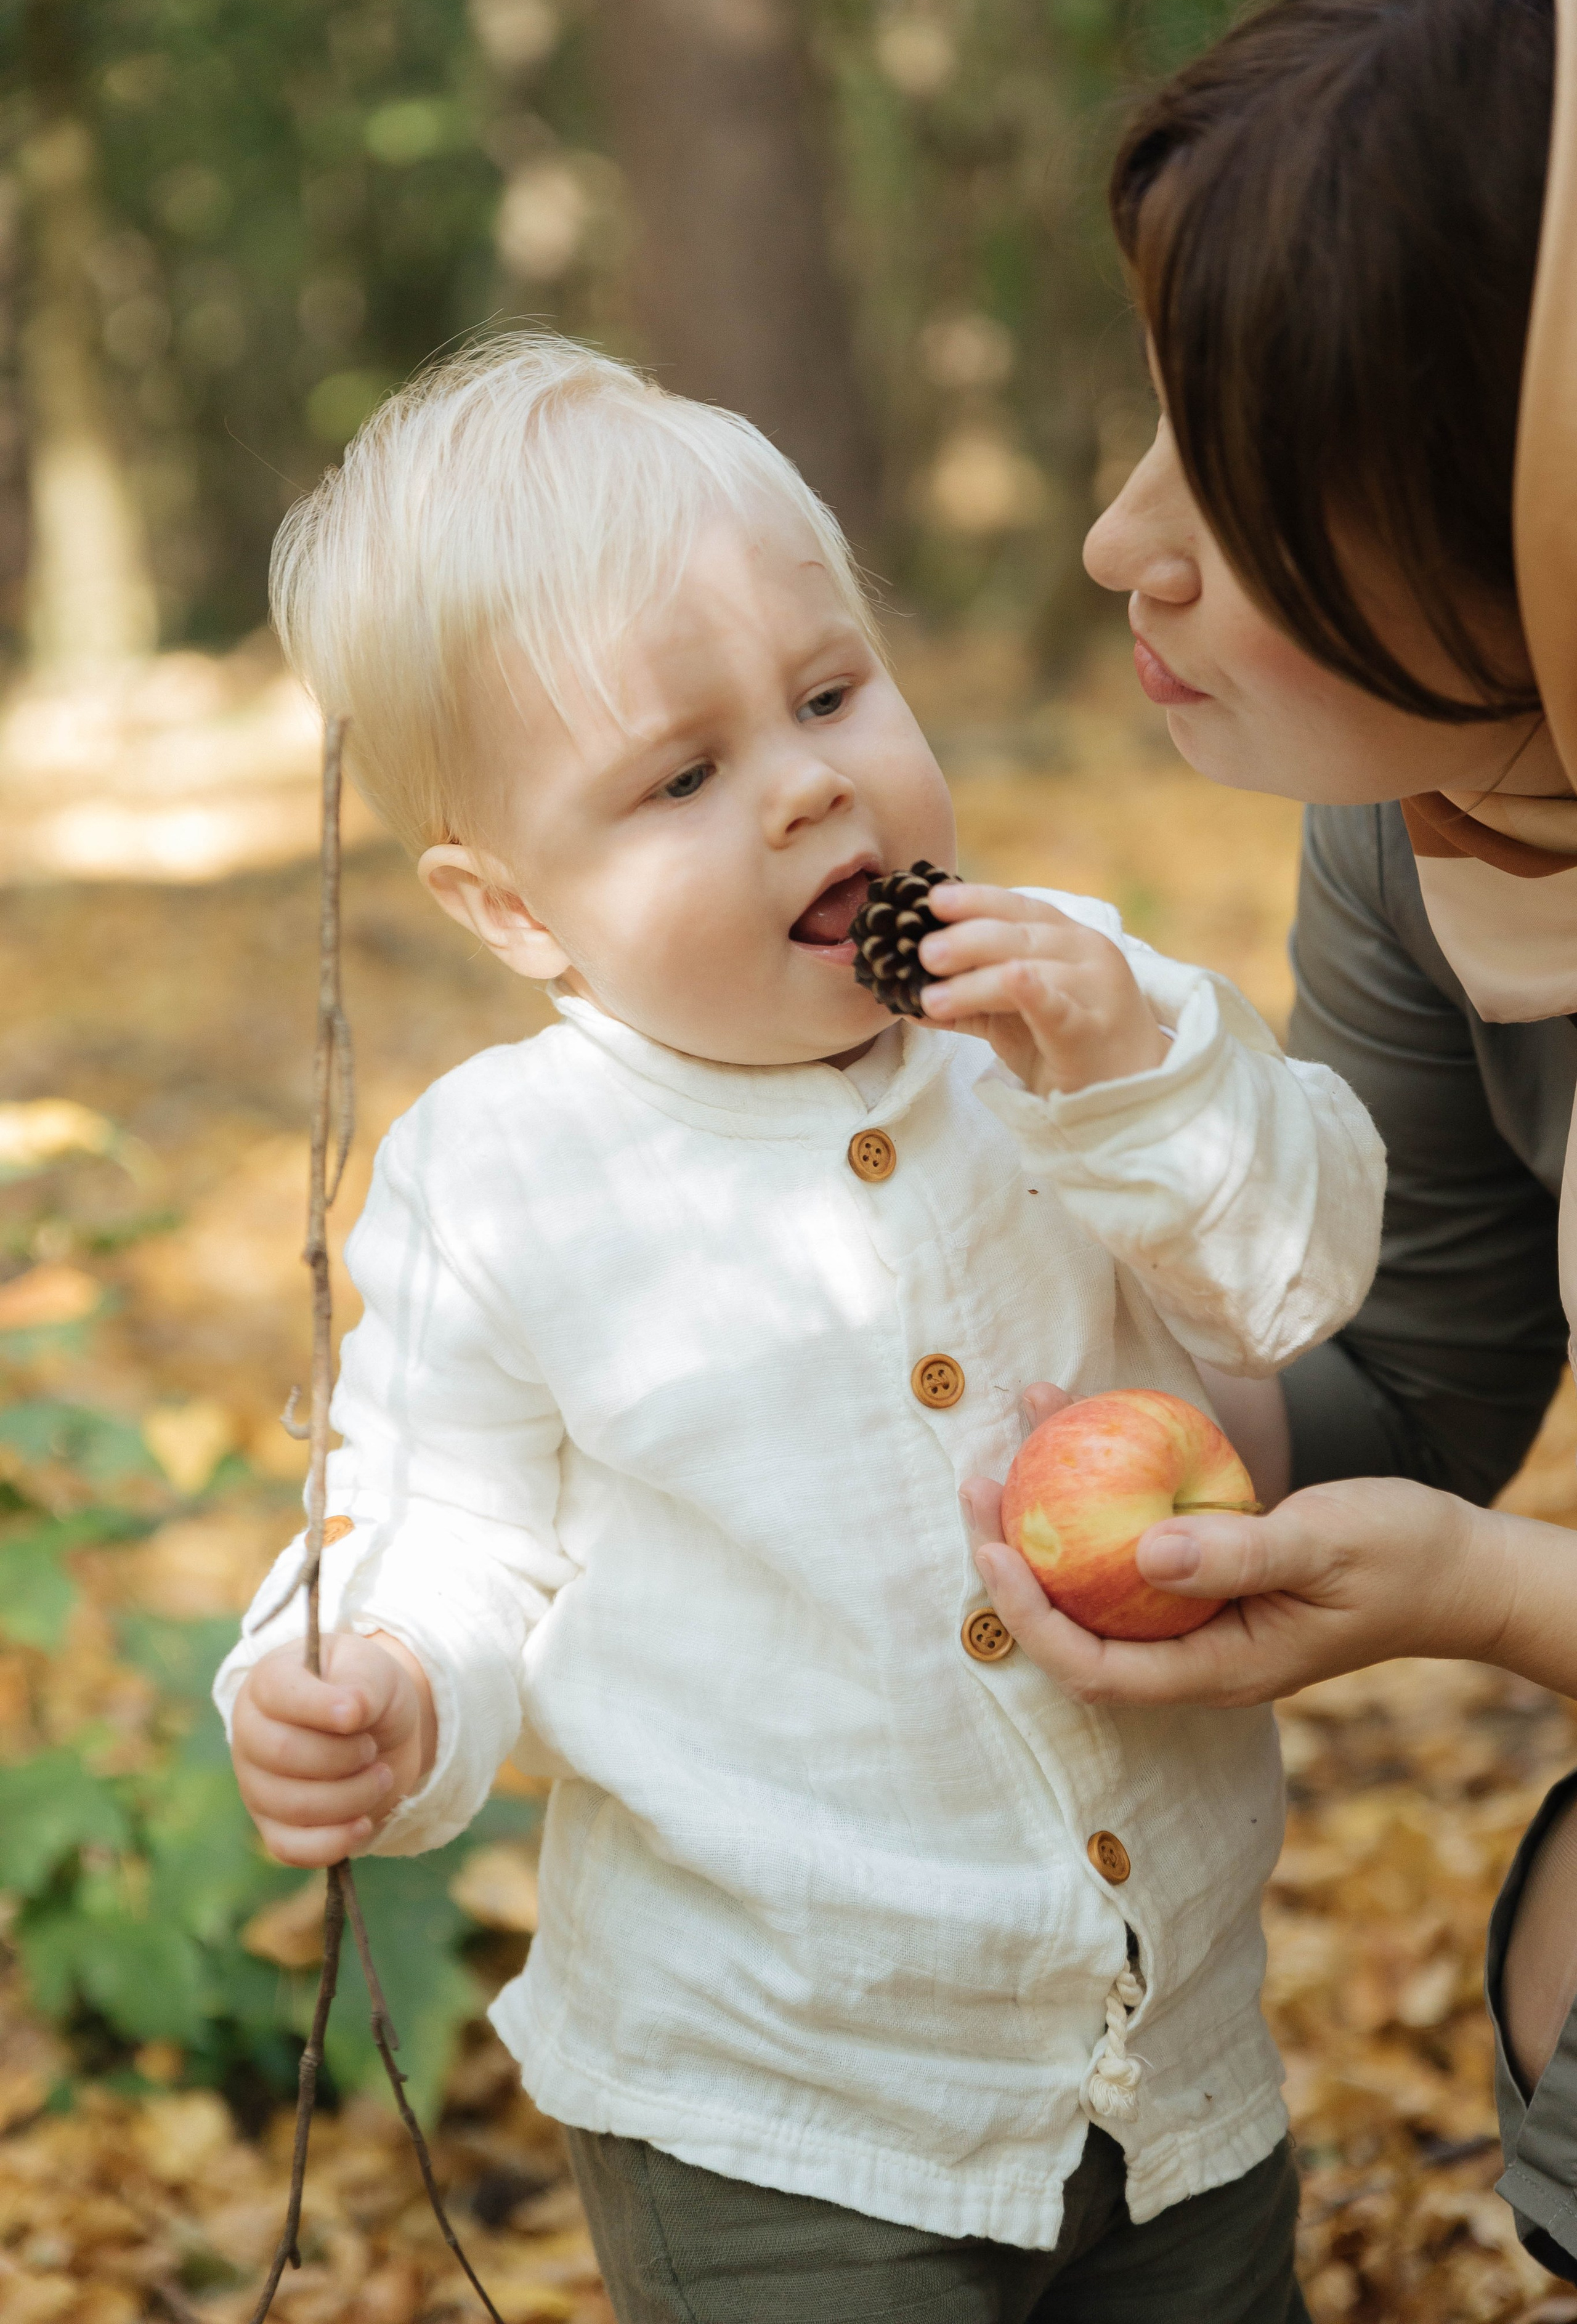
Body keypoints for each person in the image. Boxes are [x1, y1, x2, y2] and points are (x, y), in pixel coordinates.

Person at [211, 335, 1384, 2322]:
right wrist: (383, 1677)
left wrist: (1134, 1072)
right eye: (684, 775)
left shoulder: (1065, 1011)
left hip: (1167, 2054)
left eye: (833, 692)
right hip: (770, 2103)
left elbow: (1296, 1277)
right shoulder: (504, 1176)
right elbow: (442, 1519)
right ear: (509, 909)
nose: (811, 783)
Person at [965, 0, 1577, 2285]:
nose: (1126, 542)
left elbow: (1464, 1520)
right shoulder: (1443, 815)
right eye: (1153, 425)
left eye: (1247, 462)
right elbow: (1418, 1372)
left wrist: (1495, 1604)